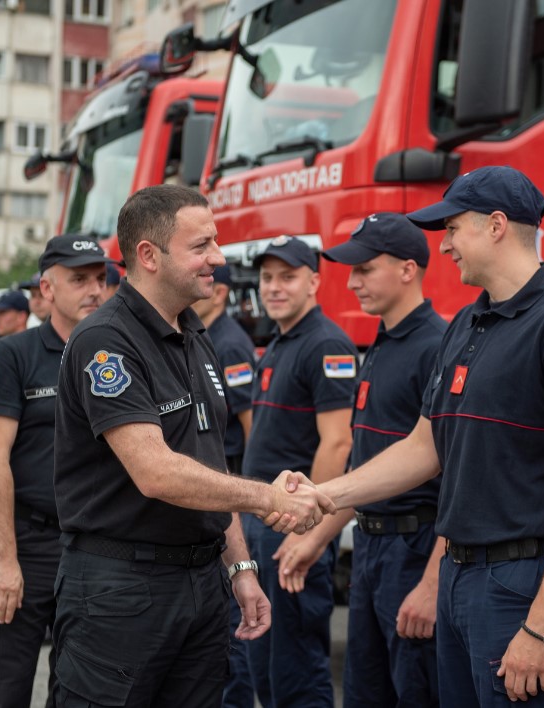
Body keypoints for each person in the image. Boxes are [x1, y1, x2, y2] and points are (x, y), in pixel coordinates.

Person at [296, 166, 544, 706]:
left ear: (496, 226)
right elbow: (424, 447)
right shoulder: (467, 326)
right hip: (459, 579)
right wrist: (326, 495)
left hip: (522, 586)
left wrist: (542, 626)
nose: (443, 246)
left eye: (451, 230)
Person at [52, 186, 335, 707]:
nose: (218, 259)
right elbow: (156, 472)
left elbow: (209, 467)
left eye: (216, 243)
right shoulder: (105, 341)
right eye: (201, 245)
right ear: (148, 255)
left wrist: (241, 570)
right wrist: (270, 499)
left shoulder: (194, 335)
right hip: (122, 592)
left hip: (201, 587)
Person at [279, 212, 449, 707]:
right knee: (363, 692)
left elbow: (457, 475)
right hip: (374, 549)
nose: (351, 283)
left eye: (365, 269)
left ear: (408, 269)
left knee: (415, 691)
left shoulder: (436, 347)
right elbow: (368, 467)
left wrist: (432, 582)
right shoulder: (383, 341)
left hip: (414, 550)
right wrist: (318, 538)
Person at [0, 235, 112, 706]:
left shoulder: (121, 354)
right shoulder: (12, 356)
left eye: (100, 278)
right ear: (47, 289)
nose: (94, 290)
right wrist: (4, 560)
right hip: (29, 546)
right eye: (79, 280)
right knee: (3, 689)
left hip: (100, 549)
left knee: (83, 692)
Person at [241, 236, 357, 708]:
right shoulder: (281, 341)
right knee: (266, 664)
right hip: (263, 521)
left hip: (289, 527)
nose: (274, 287)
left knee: (296, 667)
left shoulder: (326, 342)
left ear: (313, 281)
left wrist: (306, 530)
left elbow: (338, 441)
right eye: (267, 278)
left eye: (287, 277)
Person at [190, 264, 258, 708]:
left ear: (220, 292)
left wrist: (248, 497)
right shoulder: (199, 336)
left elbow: (250, 429)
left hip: (229, 480)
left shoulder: (229, 342)